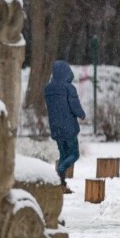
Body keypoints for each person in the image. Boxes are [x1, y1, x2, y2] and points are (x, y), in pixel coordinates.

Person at [44, 60, 86, 194]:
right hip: (68, 127)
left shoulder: (48, 88)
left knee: (63, 154)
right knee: (74, 154)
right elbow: (74, 106)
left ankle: (60, 184)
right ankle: (60, 170)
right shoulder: (68, 88)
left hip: (55, 127)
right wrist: (82, 115)